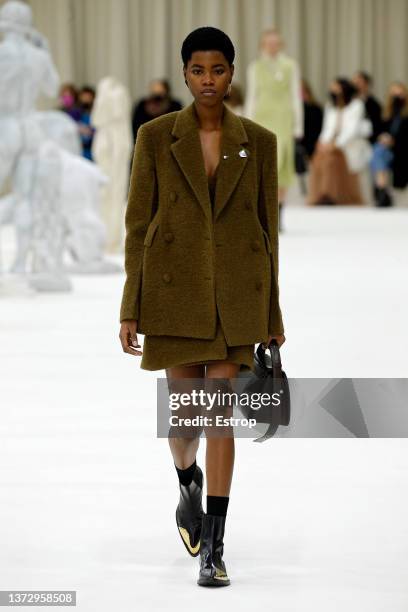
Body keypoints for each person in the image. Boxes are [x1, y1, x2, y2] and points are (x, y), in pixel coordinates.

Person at [118, 26, 285, 588]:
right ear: (185, 74)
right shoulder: (155, 136)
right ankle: (186, 479)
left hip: (239, 295)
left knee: (218, 416)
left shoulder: (259, 142)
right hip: (174, 292)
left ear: (232, 73)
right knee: (186, 418)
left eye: (217, 70)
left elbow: (269, 232)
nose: (208, 80)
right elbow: (138, 223)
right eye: (197, 71)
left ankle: (213, 544)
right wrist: (129, 306)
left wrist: (274, 318)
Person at [244, 27, 303, 231]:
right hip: (262, 118)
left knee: (282, 169)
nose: (272, 47)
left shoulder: (290, 66)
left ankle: (278, 214)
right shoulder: (255, 67)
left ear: (281, 45)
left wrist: (298, 125)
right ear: (262, 45)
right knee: (263, 167)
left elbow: (296, 95)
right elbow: (252, 96)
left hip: (284, 119)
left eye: (275, 43)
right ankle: (264, 214)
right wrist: (247, 125)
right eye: (268, 43)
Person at [308, 77, 372, 205]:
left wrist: (335, 144)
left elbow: (351, 130)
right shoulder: (330, 107)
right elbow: (327, 129)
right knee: (318, 158)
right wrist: (322, 143)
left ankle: (330, 195)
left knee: (330, 159)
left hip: (348, 145)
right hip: (331, 144)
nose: (333, 90)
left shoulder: (356, 105)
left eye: (336, 88)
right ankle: (321, 195)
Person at [370, 81, 408, 206]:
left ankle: (381, 190)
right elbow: (378, 132)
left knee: (378, 152)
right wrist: (383, 138)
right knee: (379, 150)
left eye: (400, 95)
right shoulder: (386, 114)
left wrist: (394, 141)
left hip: (401, 149)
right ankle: (382, 191)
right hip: (386, 150)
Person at [352, 71, 383, 143]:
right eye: (354, 82)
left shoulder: (374, 105)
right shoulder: (348, 103)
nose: (356, 85)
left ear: (366, 84)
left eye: (359, 82)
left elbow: (376, 127)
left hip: (367, 140)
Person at [77, 85, 96, 161]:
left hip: (93, 152)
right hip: (80, 152)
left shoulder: (96, 114)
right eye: (84, 97)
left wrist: (91, 132)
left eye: (88, 97)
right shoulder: (76, 114)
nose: (86, 99)